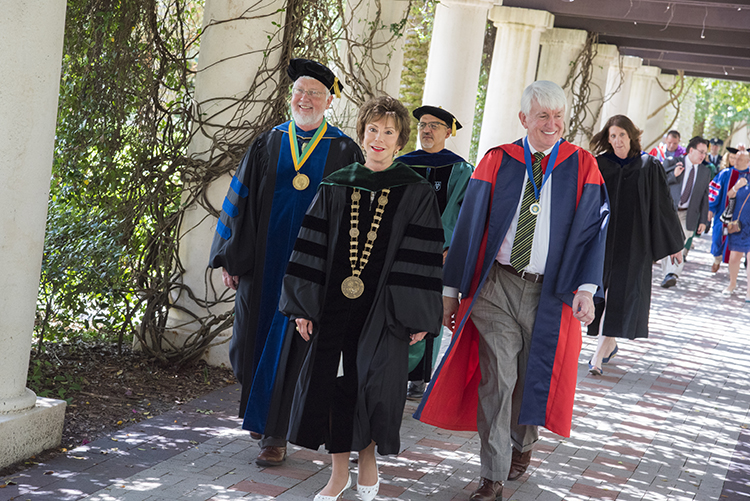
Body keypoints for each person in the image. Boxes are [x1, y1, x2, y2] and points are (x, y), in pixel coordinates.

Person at [415, 81, 609, 501]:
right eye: (543, 116)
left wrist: (586, 289)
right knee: (499, 380)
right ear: (524, 119)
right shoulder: (498, 160)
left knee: (529, 377)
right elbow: (468, 228)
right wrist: (451, 291)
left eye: (559, 117)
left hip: (551, 292)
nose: (552, 124)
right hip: (497, 288)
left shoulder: (583, 165)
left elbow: (594, 230)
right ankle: (493, 474)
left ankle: (523, 445)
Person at [258, 95, 443, 501]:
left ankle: (370, 459)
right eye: (372, 130)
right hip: (333, 308)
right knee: (336, 386)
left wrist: (416, 316)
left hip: (386, 311)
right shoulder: (336, 185)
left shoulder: (416, 193)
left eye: (388, 132)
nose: (379, 138)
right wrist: (303, 306)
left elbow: (422, 257)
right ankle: (338, 474)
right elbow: (311, 249)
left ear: (399, 142)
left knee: (375, 387)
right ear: (361, 136)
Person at [208, 58, 363, 466]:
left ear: (330, 101)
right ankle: (263, 412)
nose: (305, 99)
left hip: (312, 273)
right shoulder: (268, 142)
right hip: (262, 266)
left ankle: (274, 434)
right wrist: (231, 257)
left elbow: (354, 221)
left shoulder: (344, 150)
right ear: (290, 97)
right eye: (299, 91)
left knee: (291, 350)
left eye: (314, 93)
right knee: (245, 347)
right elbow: (239, 202)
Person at [586, 115, 684, 375]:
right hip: (605, 242)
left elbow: (663, 205)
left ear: (631, 136)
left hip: (634, 243)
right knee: (602, 295)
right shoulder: (600, 165)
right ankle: (609, 345)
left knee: (618, 296)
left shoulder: (648, 165)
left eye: (621, 135)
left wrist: (675, 243)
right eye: (612, 136)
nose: (617, 141)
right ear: (607, 139)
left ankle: (597, 357)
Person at [396, 105, 473, 400]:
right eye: (423, 125)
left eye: (435, 125)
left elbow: (461, 213)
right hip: (400, 251)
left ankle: (418, 378)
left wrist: (447, 245)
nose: (427, 130)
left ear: (448, 132)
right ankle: (393, 368)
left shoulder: (460, 170)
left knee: (429, 307)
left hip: (436, 254)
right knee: (398, 303)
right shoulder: (402, 165)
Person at [660, 136, 712, 288]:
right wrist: (673, 175)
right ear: (691, 150)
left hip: (688, 214)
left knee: (679, 244)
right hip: (669, 211)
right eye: (701, 152)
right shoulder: (673, 162)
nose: (703, 156)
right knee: (668, 243)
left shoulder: (704, 172)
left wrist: (703, 221)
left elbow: (704, 197)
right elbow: (659, 183)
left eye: (705, 153)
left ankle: (672, 274)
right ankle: (668, 274)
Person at [719, 150, 750, 299]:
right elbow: (729, 195)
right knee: (734, 258)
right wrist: (737, 187)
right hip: (739, 224)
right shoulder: (743, 177)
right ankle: (732, 284)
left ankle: (749, 291)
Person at [708, 146, 744, 272]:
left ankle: (733, 269)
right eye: (732, 158)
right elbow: (714, 192)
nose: (734, 161)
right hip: (723, 213)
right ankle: (717, 258)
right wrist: (711, 208)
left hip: (740, 216)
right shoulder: (725, 174)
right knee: (718, 237)